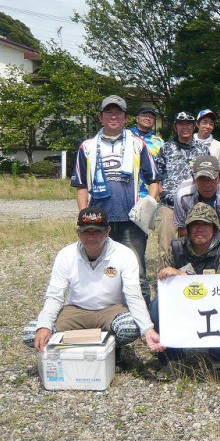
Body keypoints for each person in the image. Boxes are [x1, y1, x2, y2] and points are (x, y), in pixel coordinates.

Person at [21, 207, 164, 367]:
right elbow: (55, 295)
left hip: (111, 310)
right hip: (76, 310)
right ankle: (73, 353)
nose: (91, 237)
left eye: (97, 231)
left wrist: (147, 329)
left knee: (129, 328)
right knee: (31, 334)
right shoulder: (66, 255)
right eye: (86, 232)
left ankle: (112, 350)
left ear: (108, 230)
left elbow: (133, 295)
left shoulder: (124, 254)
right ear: (78, 232)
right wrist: (45, 326)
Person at [71, 95, 161, 303]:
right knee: (101, 270)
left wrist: (149, 202)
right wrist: (85, 216)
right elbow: (82, 186)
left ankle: (143, 318)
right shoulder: (87, 147)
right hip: (100, 220)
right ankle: (106, 312)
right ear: (101, 117)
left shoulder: (138, 145)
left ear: (126, 118)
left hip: (133, 220)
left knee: (136, 271)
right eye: (109, 112)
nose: (113, 116)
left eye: (118, 112)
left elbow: (154, 180)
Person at [151, 203, 220, 380]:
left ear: (214, 229)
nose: (200, 229)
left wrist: (183, 276)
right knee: (156, 305)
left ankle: (219, 353)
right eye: (195, 225)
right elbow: (160, 279)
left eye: (205, 224)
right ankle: (171, 358)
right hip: (181, 303)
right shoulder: (176, 247)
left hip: (216, 304)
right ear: (188, 228)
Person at [156, 111, 210, 261]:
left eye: (188, 124)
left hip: (196, 204)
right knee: (166, 246)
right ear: (175, 127)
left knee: (197, 244)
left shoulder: (203, 150)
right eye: (181, 124)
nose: (184, 127)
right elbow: (155, 176)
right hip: (169, 205)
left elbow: (210, 176)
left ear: (194, 126)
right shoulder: (166, 149)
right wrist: (161, 192)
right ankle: (167, 279)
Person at [173, 155, 220, 246]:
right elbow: (183, 232)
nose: (207, 184)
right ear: (194, 178)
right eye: (202, 178)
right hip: (196, 236)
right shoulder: (182, 196)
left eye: (211, 178)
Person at [129, 106, 164, 199]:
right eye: (145, 115)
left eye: (151, 117)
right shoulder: (126, 135)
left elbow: (162, 168)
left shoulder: (159, 142)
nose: (148, 118)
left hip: (150, 192)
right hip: (127, 189)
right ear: (137, 118)